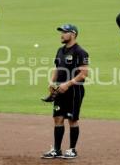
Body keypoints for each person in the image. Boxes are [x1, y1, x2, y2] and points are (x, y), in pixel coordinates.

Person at [41, 24, 89, 159]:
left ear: (73, 34)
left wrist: (68, 84)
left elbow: (84, 73)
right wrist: (51, 82)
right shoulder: (60, 50)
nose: (61, 35)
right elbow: (57, 68)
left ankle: (72, 150)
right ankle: (56, 149)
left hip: (74, 91)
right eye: (61, 32)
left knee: (72, 119)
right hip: (59, 90)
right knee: (58, 118)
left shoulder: (80, 52)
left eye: (64, 32)